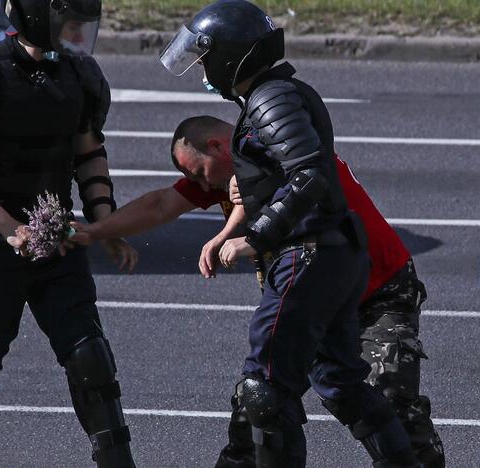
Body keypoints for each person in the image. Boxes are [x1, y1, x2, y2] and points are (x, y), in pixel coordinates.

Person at [71, 115, 445, 467]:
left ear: (219, 147)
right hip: (311, 301)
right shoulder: (228, 176)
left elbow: (298, 194)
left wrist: (235, 235)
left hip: (378, 294)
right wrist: (95, 231)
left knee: (393, 408)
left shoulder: (285, 152)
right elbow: (161, 204)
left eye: (199, 173)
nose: (202, 187)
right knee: (258, 405)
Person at [157, 2, 421, 466]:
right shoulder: (272, 95)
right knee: (340, 382)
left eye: (204, 57)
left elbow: (308, 176)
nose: (201, 68)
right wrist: (232, 228)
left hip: (308, 254)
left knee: (265, 391)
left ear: (230, 54)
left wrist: (255, 237)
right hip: (333, 251)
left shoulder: (269, 98)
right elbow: (282, 177)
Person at [0, 1, 136, 466]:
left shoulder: (79, 75)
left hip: (57, 236)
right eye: (70, 22)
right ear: (38, 15)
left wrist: (106, 225)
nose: (78, 33)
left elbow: (88, 152)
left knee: (90, 359)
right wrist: (9, 228)